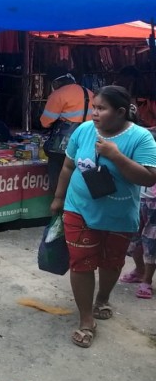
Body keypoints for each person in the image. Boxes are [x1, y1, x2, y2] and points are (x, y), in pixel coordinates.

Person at [50, 85, 156, 348]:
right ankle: (86, 319)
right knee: (81, 262)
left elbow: (148, 177)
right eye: (94, 107)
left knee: (112, 262)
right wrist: (59, 198)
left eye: (101, 108)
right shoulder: (83, 131)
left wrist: (116, 156)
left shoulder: (141, 138)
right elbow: (68, 166)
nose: (94, 113)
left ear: (120, 112)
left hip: (119, 213)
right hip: (79, 208)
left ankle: (103, 298)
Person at [40, 66, 93, 193]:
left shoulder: (58, 94)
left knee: (59, 180)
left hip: (62, 147)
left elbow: (45, 122)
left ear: (56, 82)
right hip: (87, 142)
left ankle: (60, 205)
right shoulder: (89, 93)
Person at [120, 160, 156, 300]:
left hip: (154, 202)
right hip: (137, 199)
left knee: (151, 241)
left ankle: (147, 280)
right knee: (133, 238)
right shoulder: (142, 145)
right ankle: (139, 270)